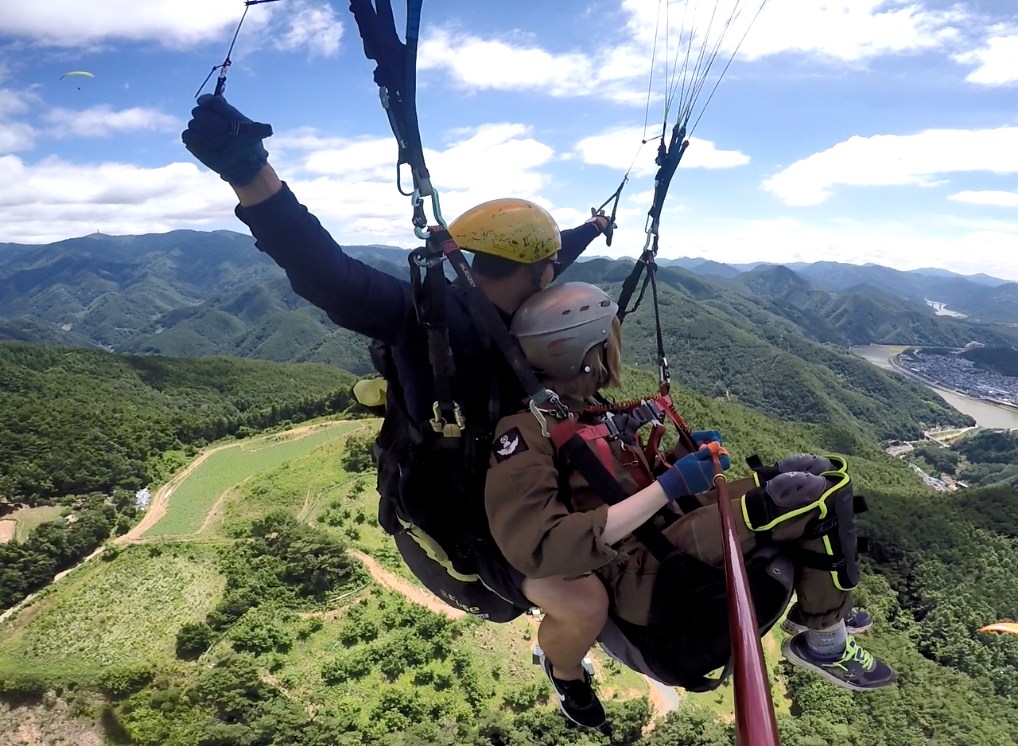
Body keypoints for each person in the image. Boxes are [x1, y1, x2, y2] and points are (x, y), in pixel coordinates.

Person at [181, 93, 614, 663]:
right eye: (549, 269)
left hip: (509, 482)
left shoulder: (516, 305)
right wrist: (250, 174)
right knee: (594, 587)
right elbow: (329, 275)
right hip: (464, 520)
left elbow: (552, 257)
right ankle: (562, 664)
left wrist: (590, 226)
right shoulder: (425, 317)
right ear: (540, 273)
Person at [485, 282, 896, 728]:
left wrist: (680, 462)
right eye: (608, 343)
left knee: (811, 472)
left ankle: (821, 599)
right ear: (586, 356)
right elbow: (539, 546)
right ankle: (826, 642)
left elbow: (628, 484)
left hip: (661, 532)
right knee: (806, 500)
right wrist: (670, 486)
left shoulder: (581, 409)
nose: (613, 353)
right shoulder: (525, 432)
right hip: (634, 571)